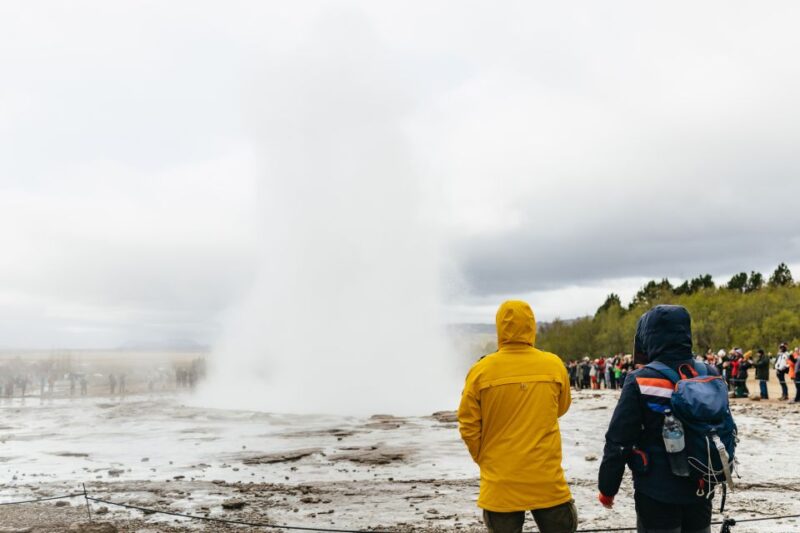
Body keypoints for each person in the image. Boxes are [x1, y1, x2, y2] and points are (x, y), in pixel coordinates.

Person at [458, 300, 577, 533]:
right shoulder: (553, 365)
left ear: (499, 327)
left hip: (500, 482)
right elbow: (561, 408)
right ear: (531, 326)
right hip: (547, 479)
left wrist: (484, 457)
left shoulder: (481, 370)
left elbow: (467, 424)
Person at [598, 305, 715, 533]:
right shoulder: (709, 373)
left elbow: (618, 441)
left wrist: (607, 489)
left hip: (657, 490)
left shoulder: (640, 380)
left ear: (648, 338)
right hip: (703, 485)